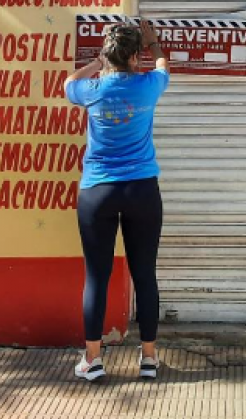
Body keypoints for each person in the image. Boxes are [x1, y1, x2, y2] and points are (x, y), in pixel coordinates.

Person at [65, 19, 169, 382]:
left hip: (98, 191)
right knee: (145, 275)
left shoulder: (91, 89)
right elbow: (162, 66)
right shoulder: (149, 85)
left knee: (97, 277)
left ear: (108, 55)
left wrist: (97, 64)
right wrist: (153, 44)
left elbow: (68, 84)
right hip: (142, 189)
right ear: (135, 57)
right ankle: (150, 360)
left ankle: (92, 360)